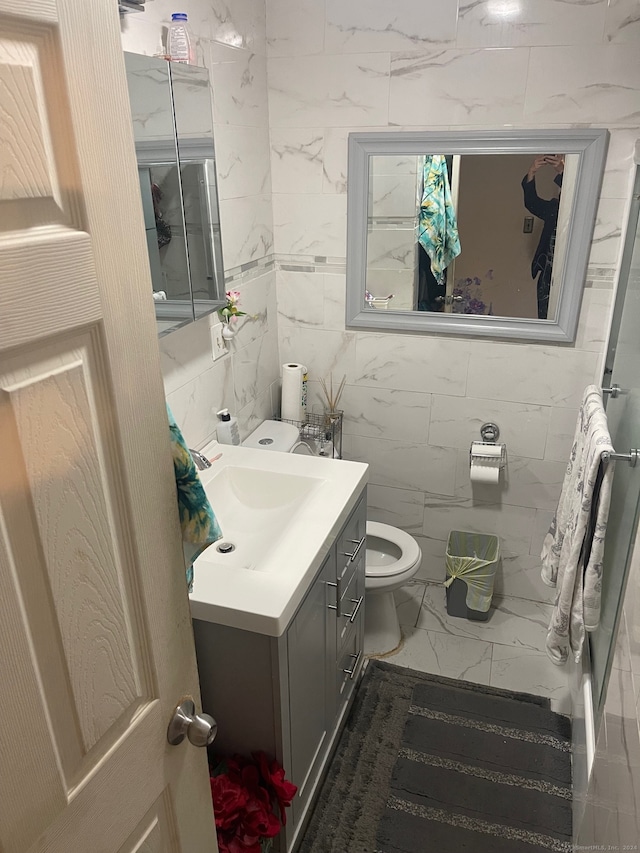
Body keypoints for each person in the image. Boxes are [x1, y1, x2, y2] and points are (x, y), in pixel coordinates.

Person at [521, 154, 564, 319]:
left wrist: (562, 171)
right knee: (545, 318)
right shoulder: (554, 210)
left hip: (567, 274)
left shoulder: (580, 209)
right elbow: (532, 203)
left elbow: (578, 191)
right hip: (547, 272)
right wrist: (531, 172)